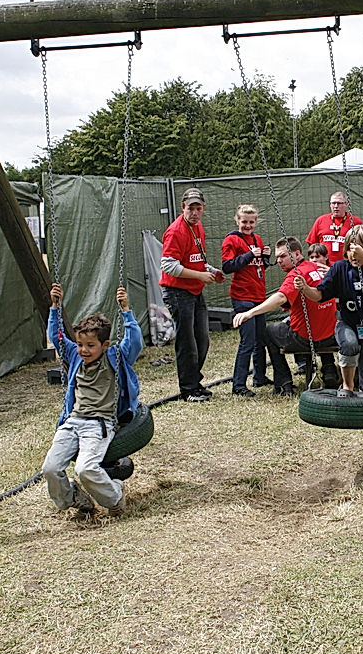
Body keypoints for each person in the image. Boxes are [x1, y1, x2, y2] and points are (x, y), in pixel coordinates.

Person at [41, 283, 140, 517]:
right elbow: (56, 337)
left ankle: (115, 497)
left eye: (90, 345)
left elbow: (134, 341)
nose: (84, 350)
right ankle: (74, 498)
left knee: (85, 468)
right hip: (73, 422)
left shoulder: (114, 356)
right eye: (80, 344)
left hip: (99, 424)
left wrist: (126, 310)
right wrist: (55, 306)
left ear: (104, 345)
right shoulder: (75, 355)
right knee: (50, 468)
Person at [296, 224, 363, 452]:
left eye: (359, 249)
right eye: (350, 249)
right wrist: (306, 289)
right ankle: (347, 384)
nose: (354, 253)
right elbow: (319, 295)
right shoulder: (339, 268)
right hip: (347, 324)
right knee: (348, 345)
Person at [233, 237, 339, 396]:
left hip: (307, 338)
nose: (279, 261)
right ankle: (329, 369)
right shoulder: (319, 268)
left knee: (270, 331)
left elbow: (281, 297)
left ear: (297, 254)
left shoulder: (296, 273)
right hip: (332, 336)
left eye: (283, 256)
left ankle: (284, 384)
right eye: (277, 258)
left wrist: (250, 313)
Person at [160, 187, 225, 402]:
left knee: (201, 339)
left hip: (194, 289)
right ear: (183, 208)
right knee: (187, 341)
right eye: (191, 208)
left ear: (203, 208)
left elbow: (196, 258)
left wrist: (211, 270)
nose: (195, 213)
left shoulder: (197, 228)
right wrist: (198, 275)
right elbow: (168, 265)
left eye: (198, 208)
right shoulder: (176, 230)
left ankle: (194, 382)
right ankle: (188, 389)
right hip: (178, 291)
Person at [221, 203, 272, 397]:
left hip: (259, 295)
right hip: (243, 297)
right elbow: (228, 266)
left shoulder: (256, 239)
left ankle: (259, 376)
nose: (248, 225)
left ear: (256, 222)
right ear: (237, 220)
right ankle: (239, 385)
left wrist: (265, 258)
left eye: (251, 222)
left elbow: (257, 268)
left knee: (261, 340)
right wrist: (250, 254)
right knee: (248, 341)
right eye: (244, 222)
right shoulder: (232, 240)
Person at [305, 190, 363, 265]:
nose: (336, 206)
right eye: (333, 203)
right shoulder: (320, 221)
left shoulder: (356, 222)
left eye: (339, 203)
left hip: (346, 265)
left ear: (346, 204)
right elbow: (312, 245)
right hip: (324, 265)